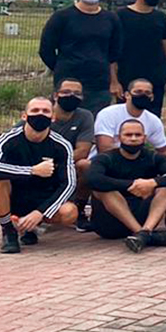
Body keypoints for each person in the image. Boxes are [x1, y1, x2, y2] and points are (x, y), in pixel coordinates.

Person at [0, 96, 79, 253]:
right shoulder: (7, 139)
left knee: (70, 212)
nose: (40, 114)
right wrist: (32, 170)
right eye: (35, 111)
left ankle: (33, 226)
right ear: (24, 116)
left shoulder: (62, 145)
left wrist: (40, 213)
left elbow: (69, 184)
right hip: (11, 196)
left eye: (45, 111)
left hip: (42, 198)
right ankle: (8, 231)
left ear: (53, 117)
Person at [86, 118, 166, 252]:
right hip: (110, 223)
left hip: (144, 216)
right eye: (128, 135)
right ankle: (143, 234)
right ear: (119, 138)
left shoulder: (153, 157)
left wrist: (152, 183)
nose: (133, 139)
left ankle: (144, 232)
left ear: (144, 138)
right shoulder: (105, 158)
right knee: (103, 190)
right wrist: (131, 185)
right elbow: (92, 179)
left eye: (138, 135)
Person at [38, 0, 122, 113]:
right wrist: (61, 67)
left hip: (99, 85)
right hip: (67, 83)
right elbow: (46, 49)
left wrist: (113, 81)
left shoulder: (111, 19)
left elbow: (114, 52)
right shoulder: (61, 17)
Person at [115, 0, 166, 116]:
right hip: (127, 76)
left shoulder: (161, 18)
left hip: (156, 78)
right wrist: (114, 80)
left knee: (152, 116)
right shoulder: (120, 16)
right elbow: (113, 50)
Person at [46, 81, 95, 226]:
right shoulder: (42, 113)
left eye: (77, 93)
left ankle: (78, 209)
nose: (71, 96)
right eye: (66, 92)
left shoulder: (85, 116)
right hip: (39, 165)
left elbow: (83, 151)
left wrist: (57, 163)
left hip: (67, 165)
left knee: (87, 166)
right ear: (56, 95)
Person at [94, 79, 166, 156]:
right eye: (138, 92)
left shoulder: (153, 121)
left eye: (147, 93)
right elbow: (105, 148)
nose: (143, 95)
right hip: (107, 162)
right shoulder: (108, 114)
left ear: (152, 97)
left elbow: (164, 150)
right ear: (127, 95)